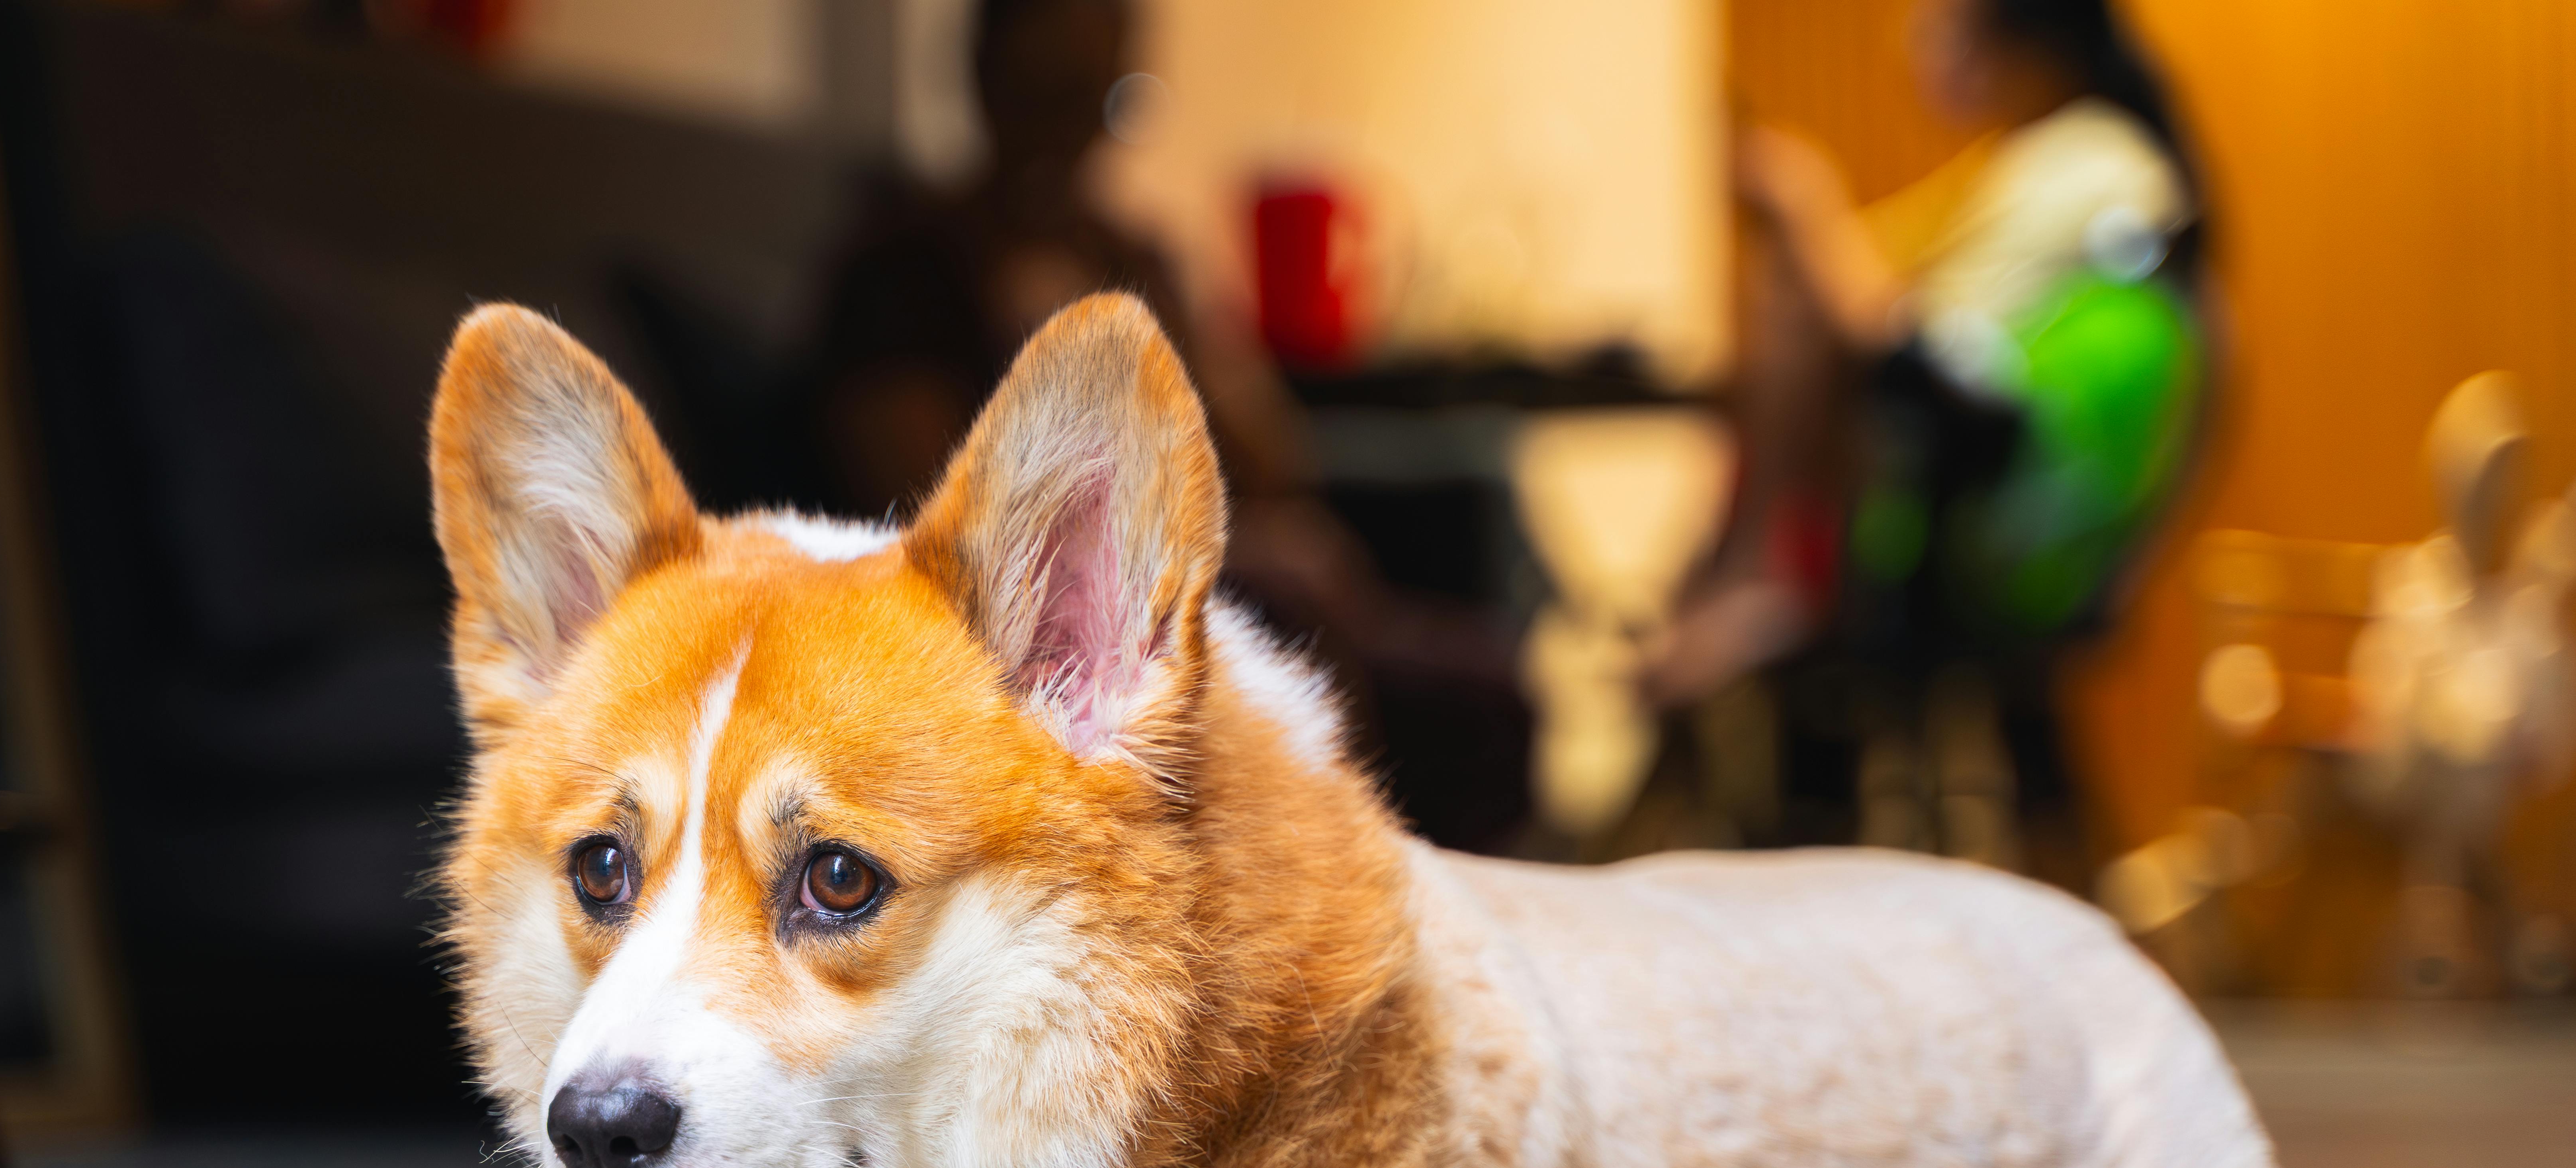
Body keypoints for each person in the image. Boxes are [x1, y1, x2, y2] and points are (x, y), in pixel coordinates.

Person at [803, 0, 1528, 845]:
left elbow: (1270, 456)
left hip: (1231, 577)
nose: (1069, 130)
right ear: (982, 76)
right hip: (1072, 611)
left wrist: (1189, 340)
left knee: (1485, 681)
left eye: (1099, 97)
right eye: (1045, 89)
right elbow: (920, 504)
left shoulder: (1133, 256)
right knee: (1286, 612)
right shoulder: (906, 267)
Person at [1645, 0, 2211, 876]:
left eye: (1937, 27)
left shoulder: (2088, 163)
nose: (1908, 46)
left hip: (2018, 514)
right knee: (1795, 295)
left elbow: (1924, 353)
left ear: (2022, 43)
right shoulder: (2031, 159)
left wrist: (1807, 203)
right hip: (1987, 485)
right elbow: (1892, 272)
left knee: (1806, 307)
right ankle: (1756, 570)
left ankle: (1762, 569)